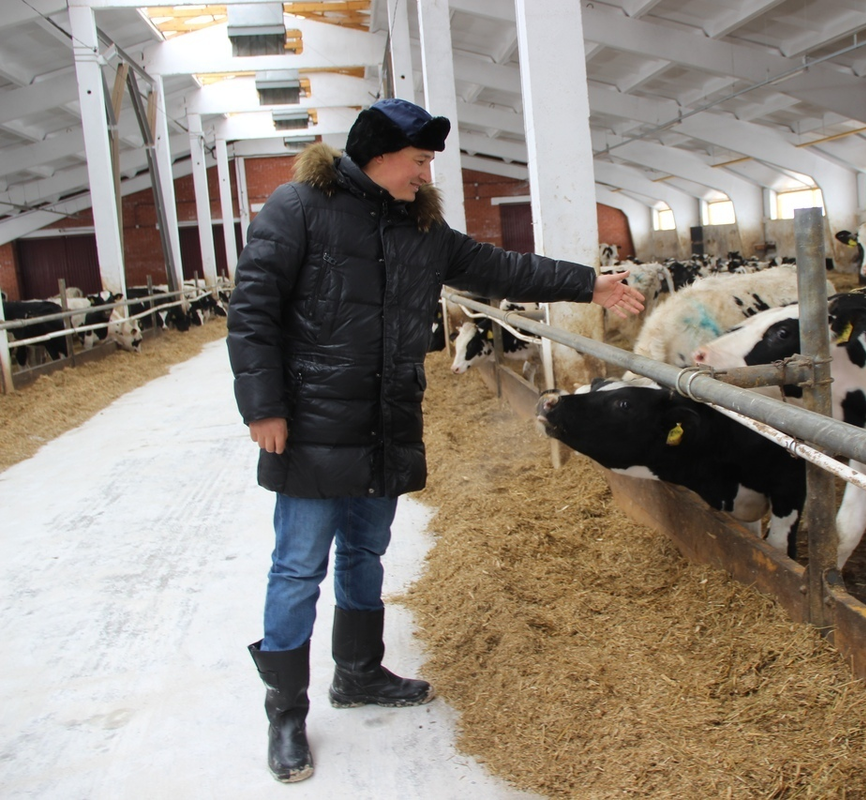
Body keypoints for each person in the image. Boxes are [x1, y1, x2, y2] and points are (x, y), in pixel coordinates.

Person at [226, 97, 644, 783]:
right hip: (310, 424)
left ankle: (358, 673)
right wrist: (262, 405)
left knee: (366, 550)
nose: (425, 175)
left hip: (387, 421)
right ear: (379, 155)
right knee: (299, 565)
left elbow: (499, 269)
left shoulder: (421, 227)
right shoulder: (296, 209)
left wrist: (586, 284)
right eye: (418, 161)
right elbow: (251, 312)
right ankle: (285, 711)